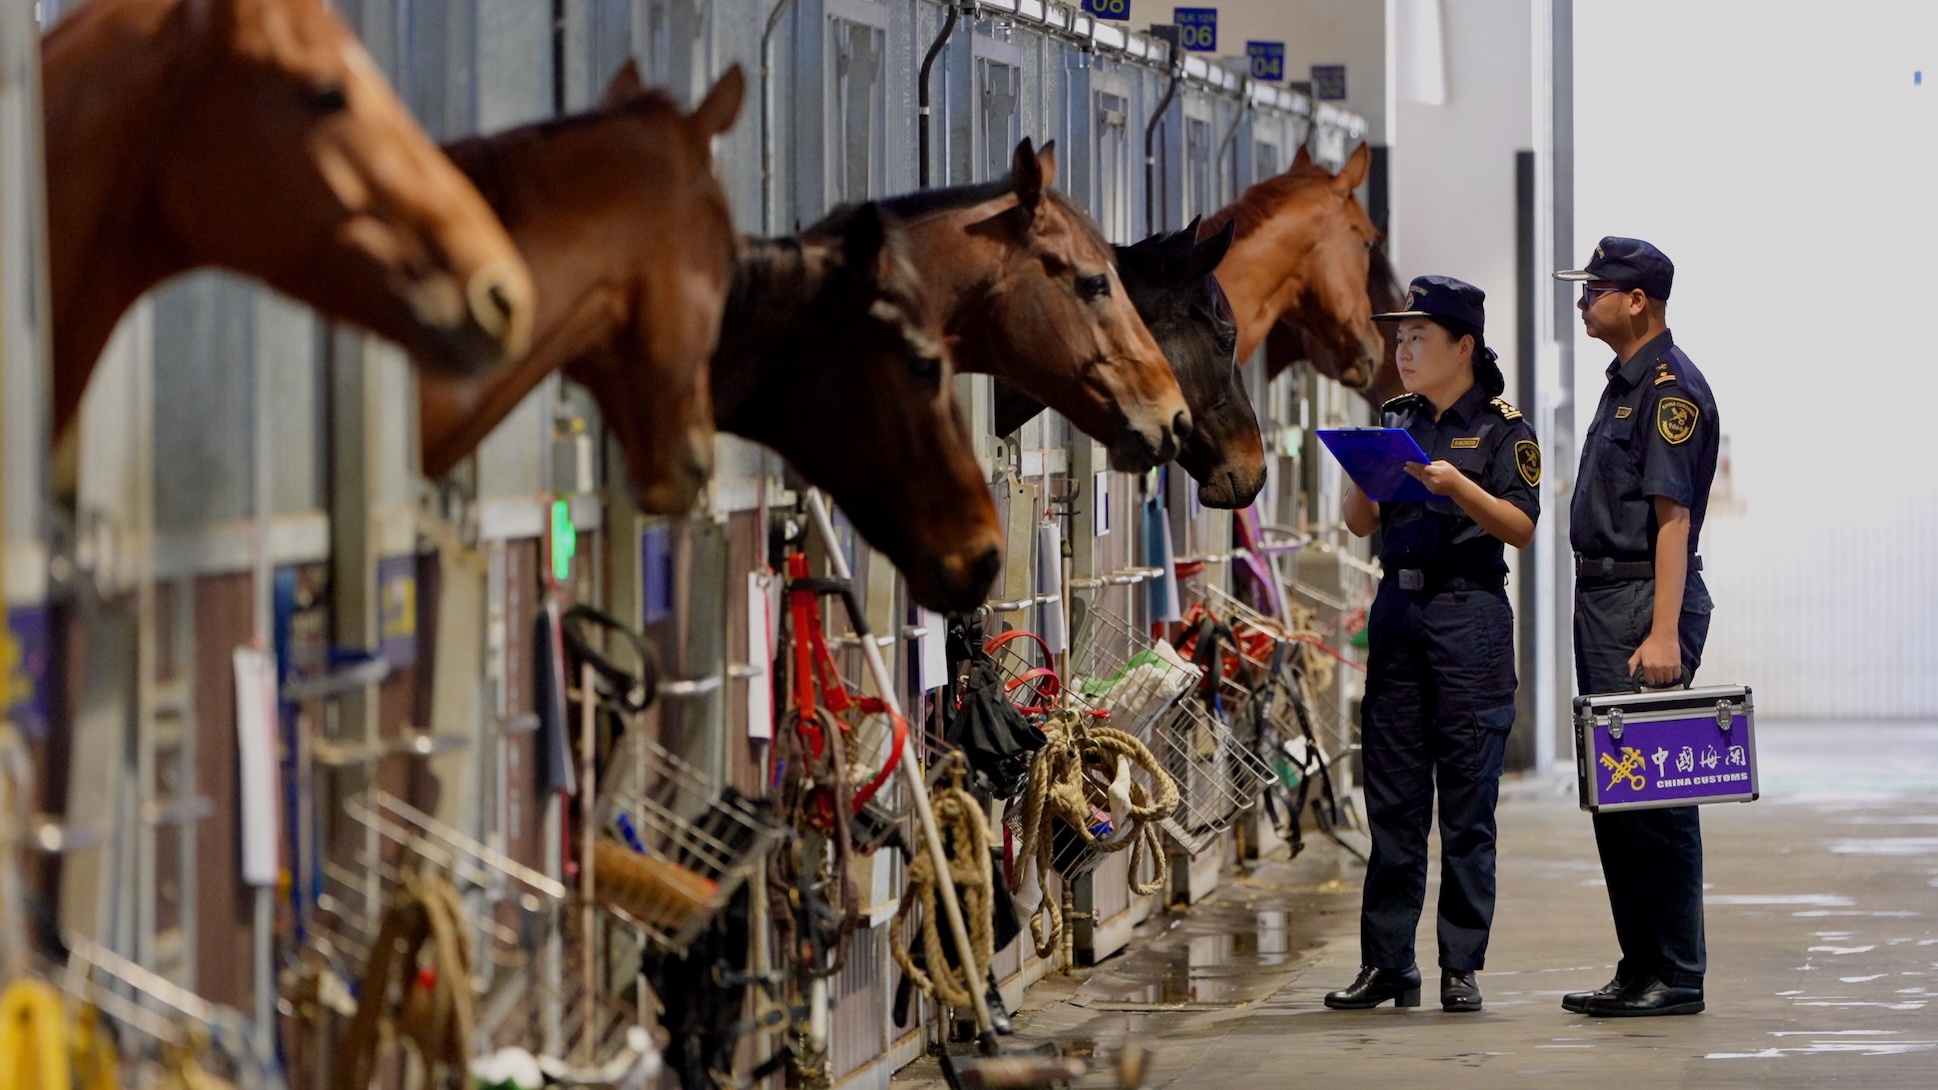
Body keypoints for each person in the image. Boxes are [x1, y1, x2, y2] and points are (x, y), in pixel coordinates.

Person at [1324, 275, 1541, 1014]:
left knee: (1467, 807)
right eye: (1400, 338)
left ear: (1463, 346)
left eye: (1419, 337)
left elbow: (1521, 527)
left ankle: (1460, 964)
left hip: (1467, 614)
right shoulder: (1397, 419)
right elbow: (1360, 523)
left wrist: (1458, 488)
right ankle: (1388, 963)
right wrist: (1363, 471)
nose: (1404, 350)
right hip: (1399, 609)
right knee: (1393, 800)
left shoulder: (1505, 428)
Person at [1553, 236, 1719, 1017]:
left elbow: (1672, 520)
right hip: (1605, 600)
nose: (1583, 301)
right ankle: (1639, 965)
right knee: (1617, 795)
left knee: (1655, 799)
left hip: (1641, 601)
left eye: (1596, 290)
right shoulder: (1624, 384)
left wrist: (1663, 633)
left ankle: (1676, 974)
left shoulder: (1668, 390)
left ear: (1637, 301)